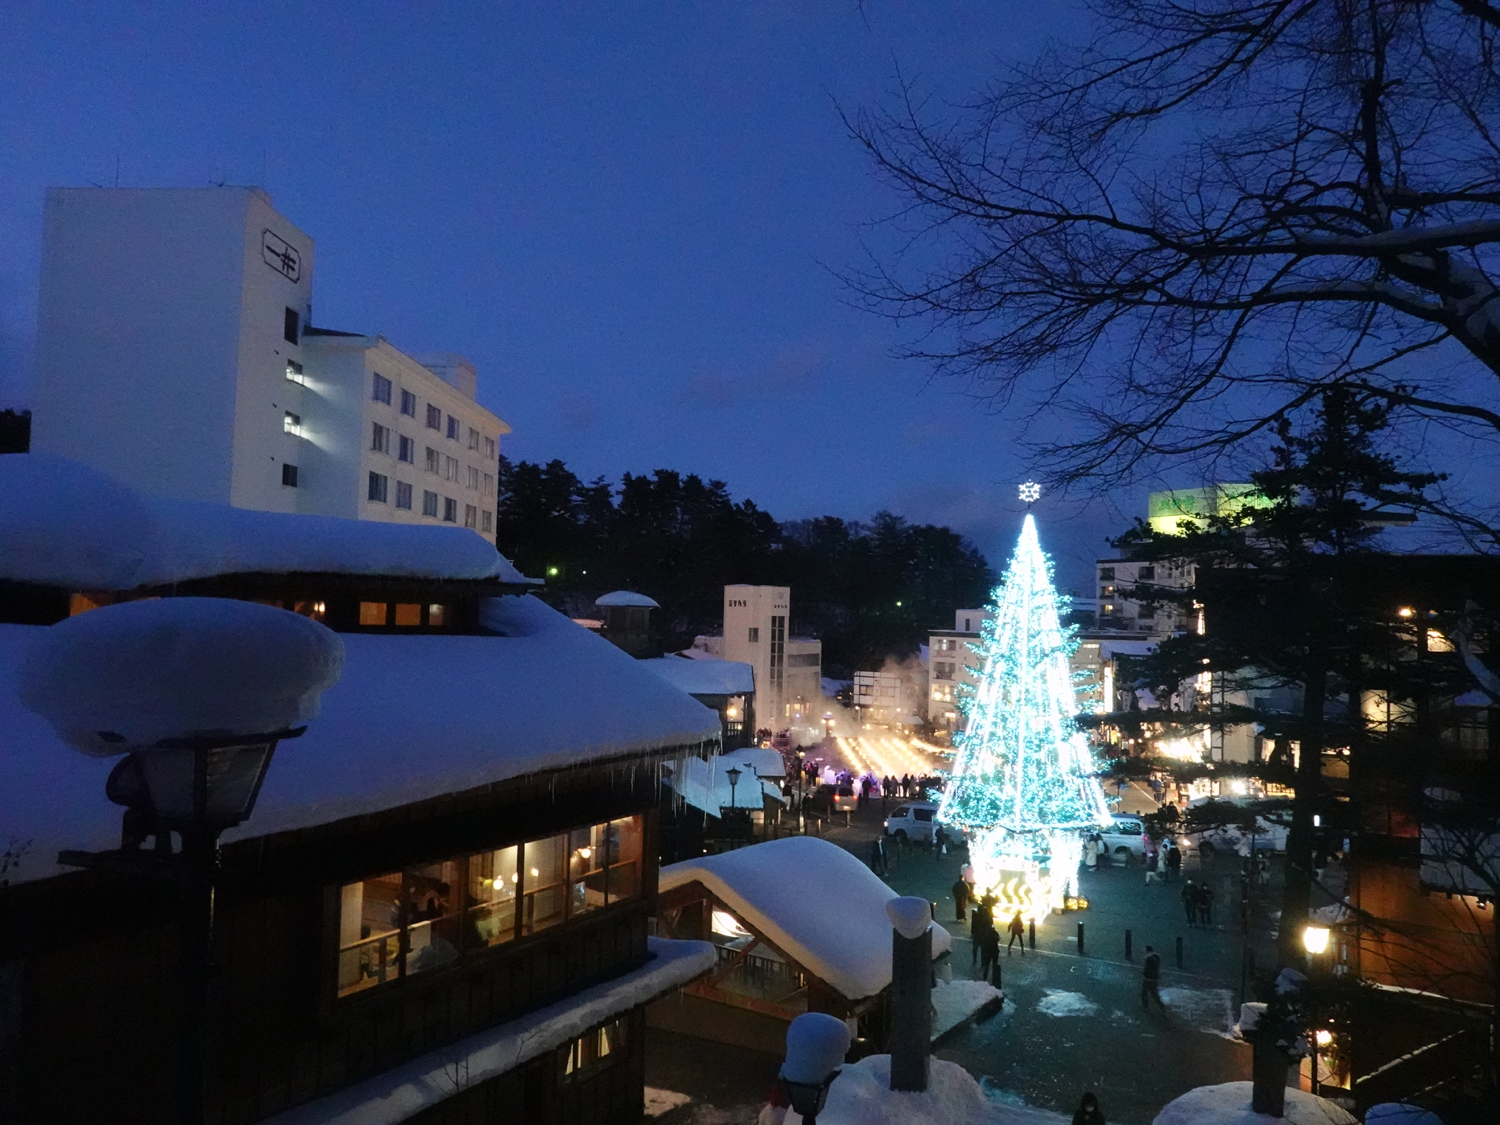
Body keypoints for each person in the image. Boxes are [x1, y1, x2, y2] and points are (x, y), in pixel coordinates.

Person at [1140, 945, 1165, 1012]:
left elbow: (1147, 968)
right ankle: (1161, 1006)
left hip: (1148, 978)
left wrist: (1143, 972)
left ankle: (1146, 1007)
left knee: (1144, 993)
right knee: (1154, 993)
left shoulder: (1148, 958)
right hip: (1155, 978)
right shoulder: (1157, 957)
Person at [978, 919, 1001, 984]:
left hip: (988, 952)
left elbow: (984, 942)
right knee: (994, 965)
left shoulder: (987, 934)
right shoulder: (995, 933)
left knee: (987, 966)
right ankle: (994, 978)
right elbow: (998, 938)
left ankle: (985, 977)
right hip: (995, 952)